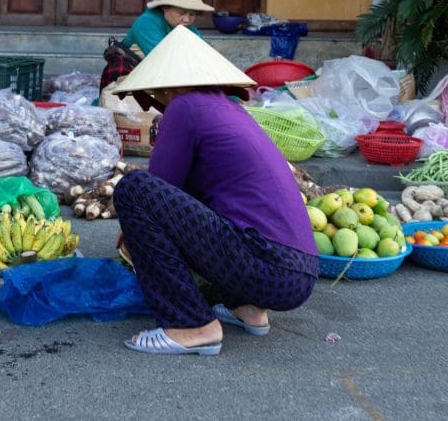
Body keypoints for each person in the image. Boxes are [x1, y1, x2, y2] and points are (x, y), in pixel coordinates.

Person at [110, 25, 318, 356]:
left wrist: (129, 234)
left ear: (169, 84)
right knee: (220, 210)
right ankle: (247, 309)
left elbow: (157, 187)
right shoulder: (228, 108)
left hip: (266, 264)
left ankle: (191, 325)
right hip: (298, 276)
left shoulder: (185, 106)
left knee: (133, 189)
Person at [100, 0, 214, 89]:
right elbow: (164, 63)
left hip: (169, 75)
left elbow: (205, 57)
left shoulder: (190, 29)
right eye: (181, 13)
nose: (187, 20)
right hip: (143, 74)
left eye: (192, 14)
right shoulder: (147, 23)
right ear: (165, 7)